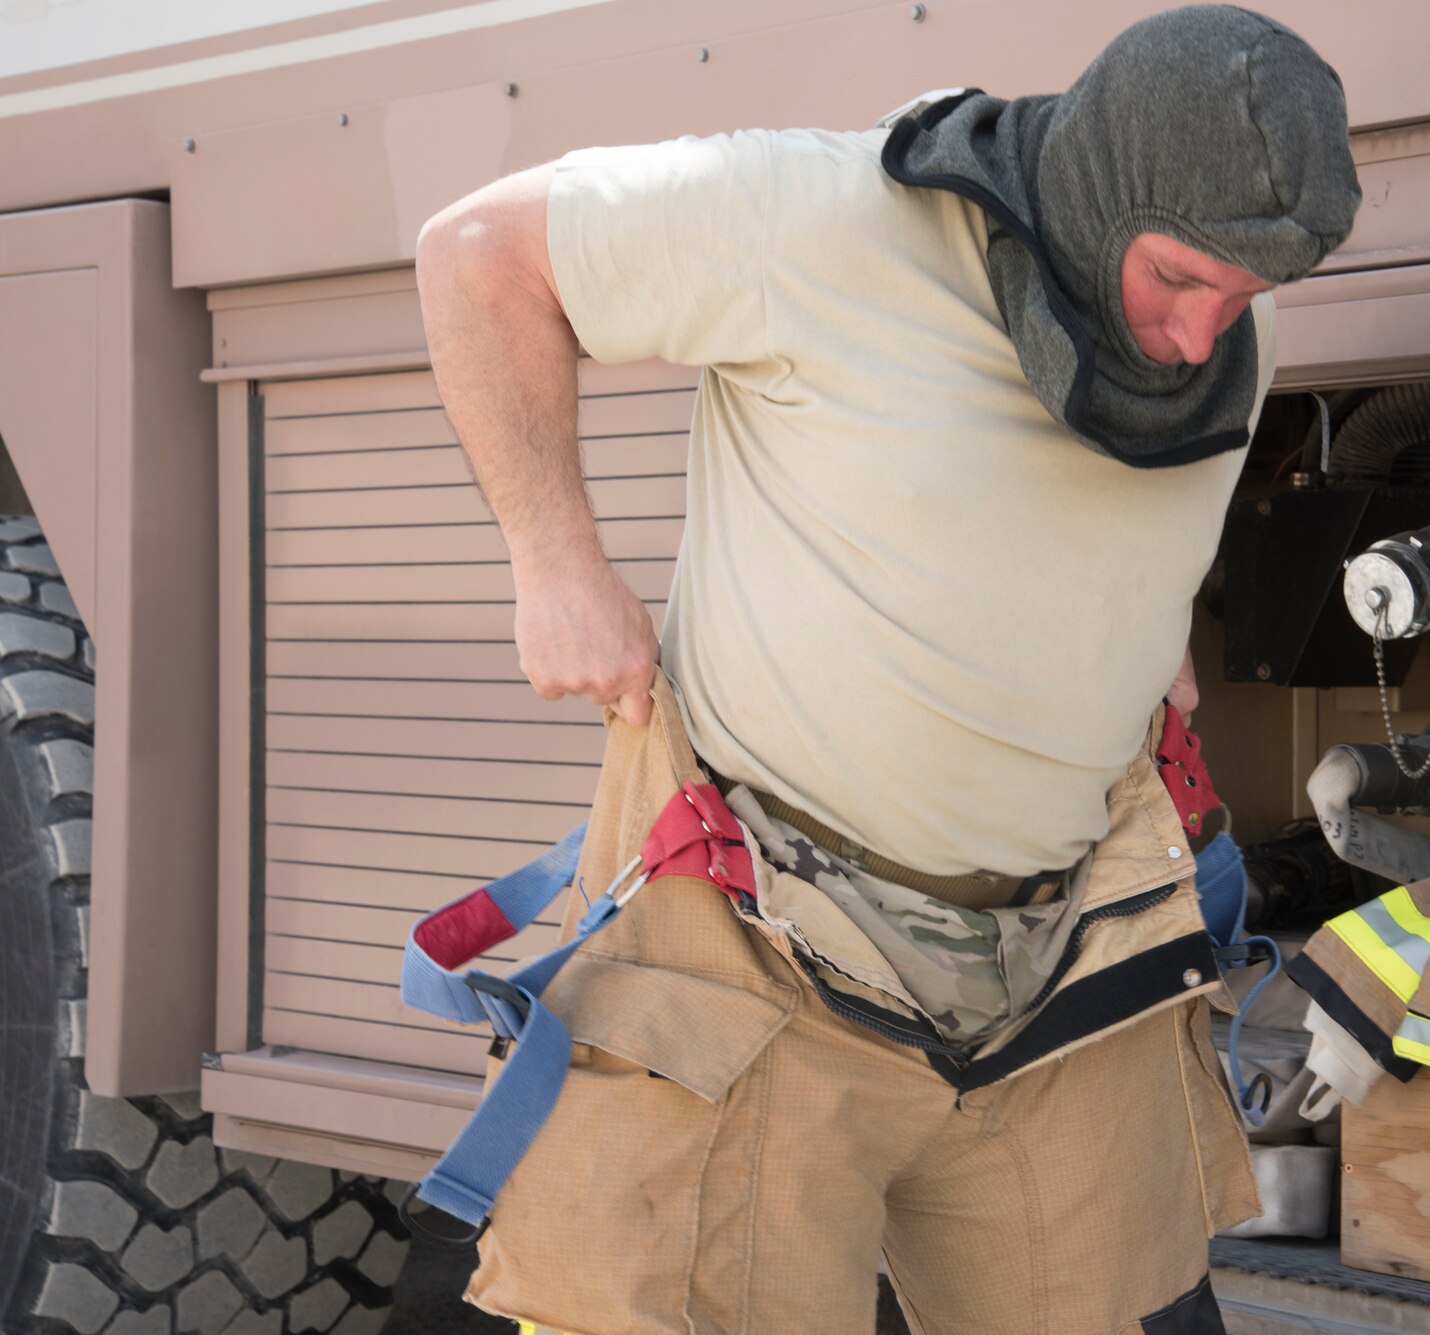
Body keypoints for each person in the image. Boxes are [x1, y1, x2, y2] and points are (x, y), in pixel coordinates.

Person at [414, 6, 1360, 1331]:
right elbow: (478, 256)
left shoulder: (1208, 350)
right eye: (1180, 282)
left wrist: (1152, 638)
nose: (1207, 337)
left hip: (1064, 962)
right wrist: (555, 561)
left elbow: (1094, 508)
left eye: (1245, 300)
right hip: (766, 943)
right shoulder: (819, 217)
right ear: (1101, 200)